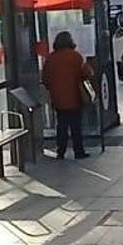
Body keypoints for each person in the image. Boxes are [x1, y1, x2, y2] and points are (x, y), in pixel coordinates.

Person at [41, 31, 94, 159]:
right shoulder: (76, 56)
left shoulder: (51, 59)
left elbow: (45, 79)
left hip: (58, 98)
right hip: (75, 97)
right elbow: (87, 72)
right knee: (76, 126)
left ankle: (61, 151)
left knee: (62, 126)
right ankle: (79, 151)